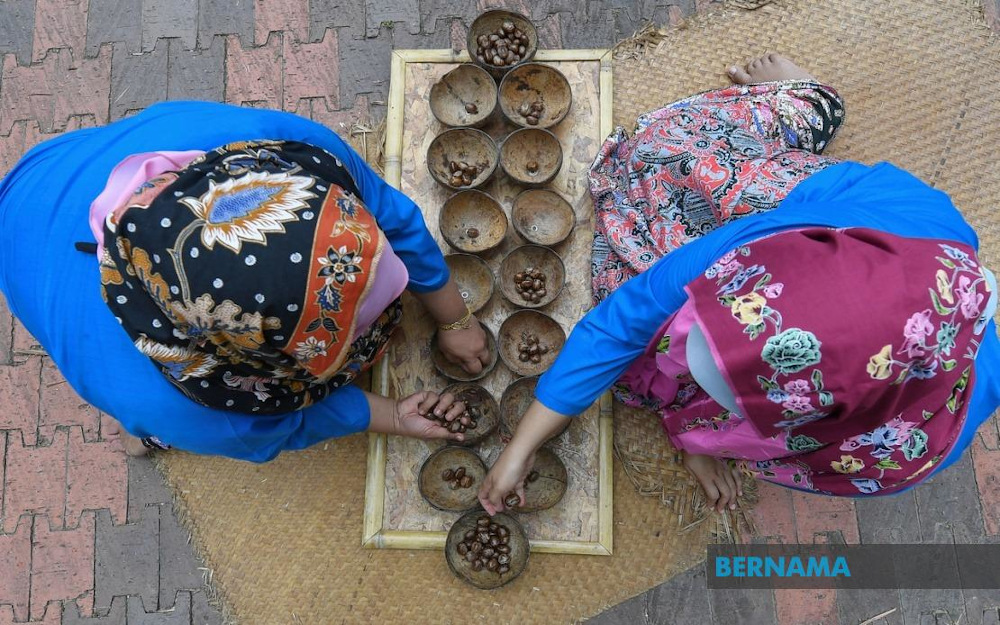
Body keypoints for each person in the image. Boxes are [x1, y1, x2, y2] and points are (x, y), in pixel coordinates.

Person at [479, 54, 1000, 514]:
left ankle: (808, 101)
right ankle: (799, 104)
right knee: (660, 154)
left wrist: (706, 439)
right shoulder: (783, 240)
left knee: (649, 352)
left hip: (839, 386)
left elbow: (793, 431)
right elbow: (622, 322)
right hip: (821, 205)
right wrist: (520, 448)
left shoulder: (896, 454)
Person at [0, 102, 492, 462]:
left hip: (60, 172)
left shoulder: (275, 145)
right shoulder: (188, 410)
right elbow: (286, 422)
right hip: (27, 243)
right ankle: (145, 434)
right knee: (152, 419)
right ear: (251, 356)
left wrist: (455, 318)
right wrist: (391, 415)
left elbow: (395, 220)